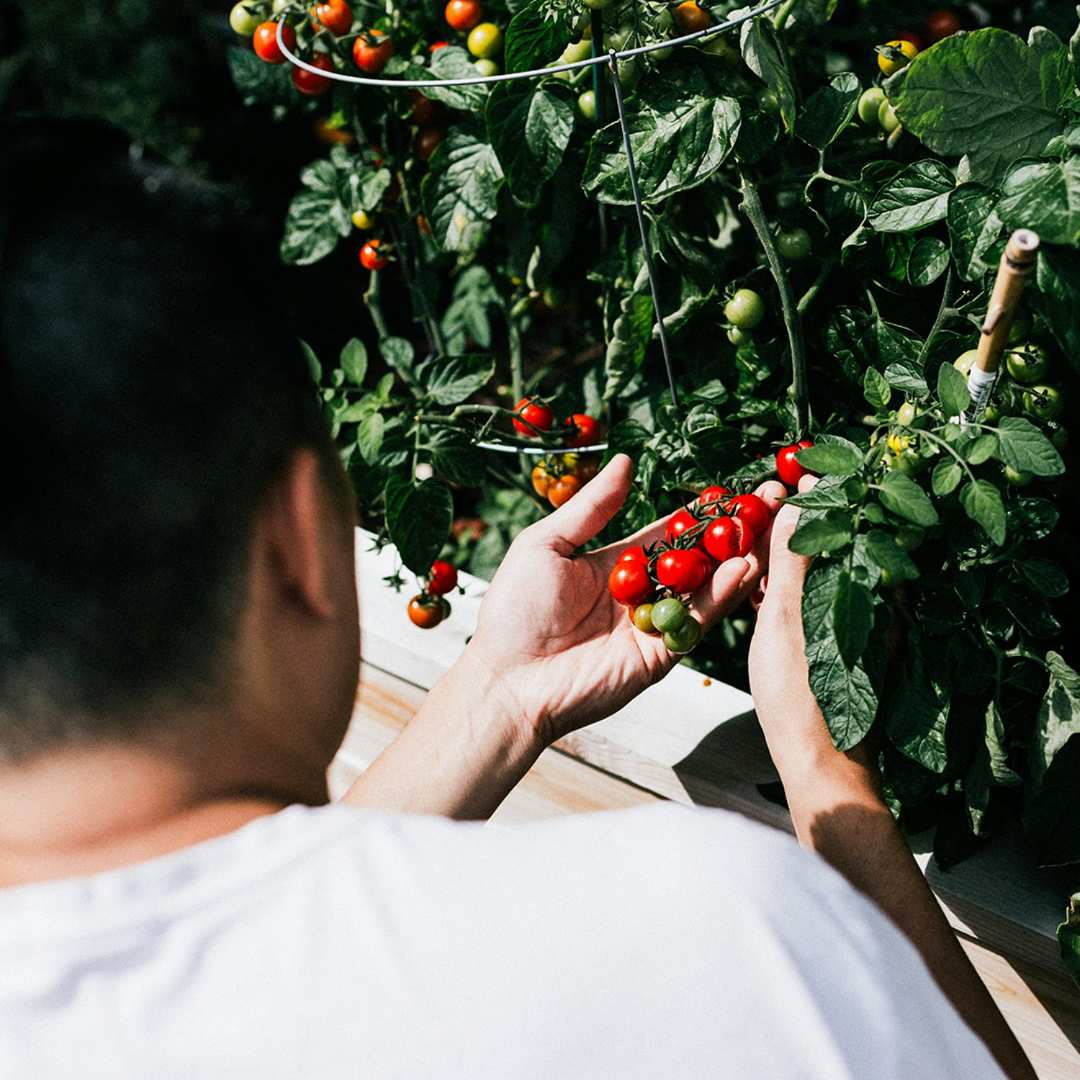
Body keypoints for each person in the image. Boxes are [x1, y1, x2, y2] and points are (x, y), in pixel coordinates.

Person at [0, 119, 1033, 1080]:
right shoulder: (708, 936)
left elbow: (225, 931)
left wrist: (498, 693)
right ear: (296, 542)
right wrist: (822, 780)